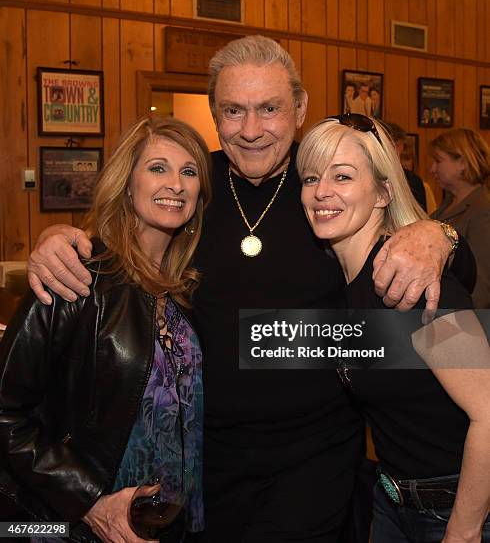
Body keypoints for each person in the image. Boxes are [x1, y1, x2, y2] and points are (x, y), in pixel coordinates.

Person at [26, 36, 471, 543]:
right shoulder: (192, 187)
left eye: (270, 109)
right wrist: (58, 238)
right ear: (214, 114)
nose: (252, 130)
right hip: (200, 464)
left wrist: (439, 235)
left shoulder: (335, 183)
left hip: (315, 463)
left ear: (300, 108)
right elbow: (124, 244)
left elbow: (452, 274)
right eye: (234, 110)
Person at [0, 115, 212, 542]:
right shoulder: (75, 274)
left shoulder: (186, 289)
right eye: (157, 168)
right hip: (79, 527)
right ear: (127, 183)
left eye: (188, 172)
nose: (175, 183)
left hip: (170, 525)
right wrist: (90, 502)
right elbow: (5, 412)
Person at [298, 113, 490, 543]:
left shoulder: (411, 280)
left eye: (342, 176)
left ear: (384, 192)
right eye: (310, 178)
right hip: (391, 502)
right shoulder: (342, 278)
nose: (321, 191)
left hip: (454, 513)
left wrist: (463, 531)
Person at [430, 127, 490, 308]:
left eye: (438, 161)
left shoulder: (483, 211)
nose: (432, 169)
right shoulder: (448, 204)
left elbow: (481, 286)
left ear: (463, 162)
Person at [385, 122, 427, 212]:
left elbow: (421, 218)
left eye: (397, 145)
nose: (393, 150)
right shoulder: (368, 174)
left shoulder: (413, 180)